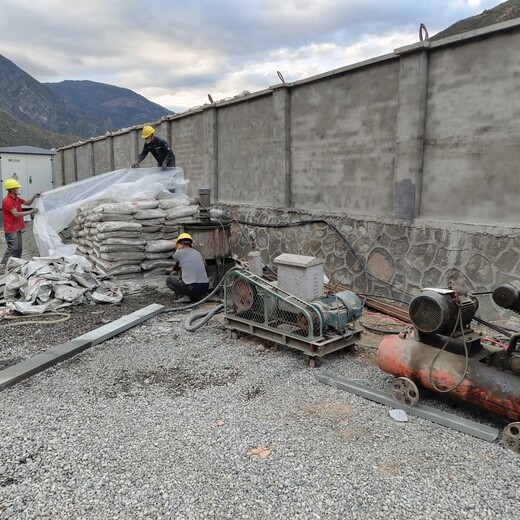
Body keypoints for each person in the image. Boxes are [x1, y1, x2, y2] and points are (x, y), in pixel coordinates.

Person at [1, 178, 40, 272]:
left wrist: (34, 197)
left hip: (17, 227)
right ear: (11, 189)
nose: (18, 189)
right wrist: (31, 211)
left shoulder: (17, 198)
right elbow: (16, 214)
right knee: (12, 248)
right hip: (11, 228)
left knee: (19, 249)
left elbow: (27, 203)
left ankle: (15, 264)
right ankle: (2, 266)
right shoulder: (7, 201)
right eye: (16, 188)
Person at [166, 233, 209, 303]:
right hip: (206, 286)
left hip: (193, 288)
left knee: (169, 280)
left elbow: (175, 268)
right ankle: (200, 295)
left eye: (178, 245)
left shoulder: (178, 253)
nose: (178, 247)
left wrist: (180, 267)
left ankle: (184, 296)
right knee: (184, 278)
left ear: (182, 244)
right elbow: (205, 265)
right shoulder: (197, 252)